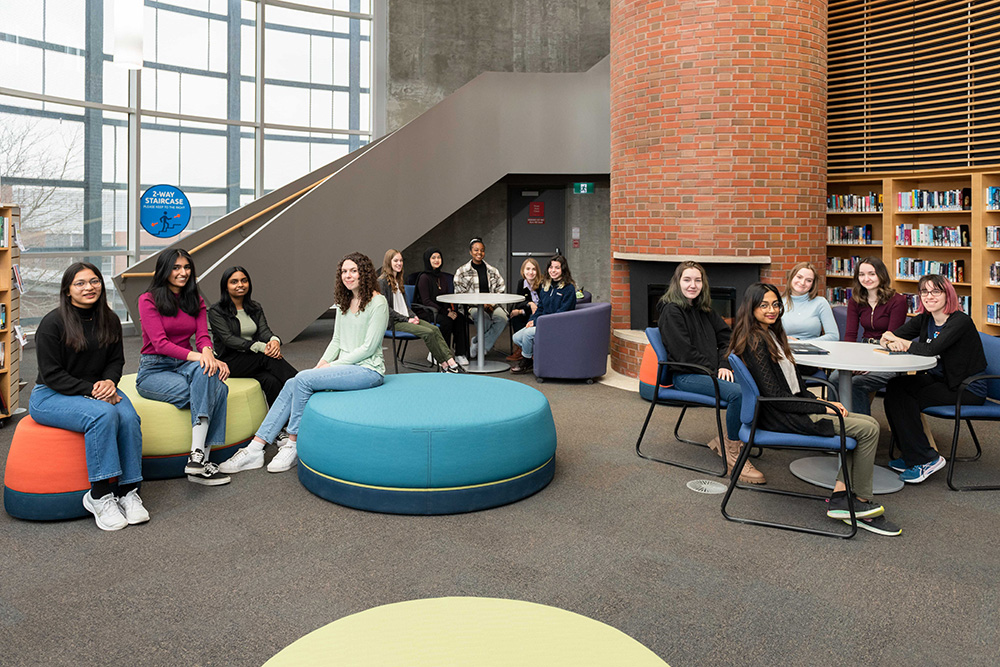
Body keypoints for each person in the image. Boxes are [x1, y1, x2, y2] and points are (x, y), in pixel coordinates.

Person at [730, 282, 899, 536]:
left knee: (868, 425)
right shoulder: (755, 341)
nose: (772, 310)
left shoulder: (772, 335)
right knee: (867, 430)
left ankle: (843, 495)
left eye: (775, 304)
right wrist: (823, 405)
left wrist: (822, 404)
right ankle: (859, 501)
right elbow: (775, 396)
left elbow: (793, 385)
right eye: (763, 305)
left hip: (793, 408)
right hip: (782, 415)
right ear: (751, 307)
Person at [224, 252, 389, 474]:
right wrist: (321, 365)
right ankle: (256, 448)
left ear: (365, 273)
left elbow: (369, 348)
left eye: (353, 271)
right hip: (345, 367)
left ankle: (293, 443)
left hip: (368, 370)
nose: (348, 276)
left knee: (300, 380)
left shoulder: (378, 302)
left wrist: (333, 366)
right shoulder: (344, 302)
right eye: (344, 271)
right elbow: (337, 341)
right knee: (294, 381)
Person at [30, 262, 146, 531]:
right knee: (103, 414)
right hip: (51, 394)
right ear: (68, 290)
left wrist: (108, 382)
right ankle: (100, 495)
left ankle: (128, 492)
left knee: (128, 416)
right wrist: (94, 390)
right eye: (80, 283)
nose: (89, 287)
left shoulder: (110, 319)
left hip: (99, 388)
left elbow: (116, 361)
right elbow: (51, 374)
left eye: (94, 281)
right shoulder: (52, 323)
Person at [656, 261, 764, 484]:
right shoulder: (671, 311)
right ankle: (733, 451)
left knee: (755, 384)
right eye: (687, 280)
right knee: (739, 394)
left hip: (709, 371)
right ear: (677, 282)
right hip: (687, 375)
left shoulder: (704, 309)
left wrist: (725, 364)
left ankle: (729, 438)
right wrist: (716, 371)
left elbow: (727, 339)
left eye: (697, 280)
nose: (693, 285)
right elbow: (685, 355)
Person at [136, 248, 232, 486]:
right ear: (165, 270)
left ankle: (197, 458)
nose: (183, 272)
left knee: (208, 372)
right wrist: (200, 358)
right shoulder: (147, 299)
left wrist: (208, 353)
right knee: (219, 389)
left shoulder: (195, 299)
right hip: (154, 369)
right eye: (176, 267)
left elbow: (202, 336)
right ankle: (202, 462)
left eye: (187, 267)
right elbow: (160, 344)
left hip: (185, 364)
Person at [881, 274, 986, 484]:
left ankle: (927, 459)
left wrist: (901, 342)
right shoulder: (926, 319)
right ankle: (912, 454)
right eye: (924, 292)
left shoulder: (960, 321)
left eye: (936, 291)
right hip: (940, 379)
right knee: (895, 387)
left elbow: (931, 349)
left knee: (905, 398)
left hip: (967, 388)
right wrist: (890, 341)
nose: (929, 296)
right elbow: (890, 335)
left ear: (948, 294)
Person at [208, 266, 298, 406]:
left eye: (244, 281)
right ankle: (304, 383)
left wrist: (274, 341)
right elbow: (228, 339)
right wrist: (260, 347)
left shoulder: (255, 307)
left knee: (271, 381)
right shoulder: (216, 311)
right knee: (266, 357)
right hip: (229, 361)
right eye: (234, 282)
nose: (240, 285)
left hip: (252, 360)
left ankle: (283, 422)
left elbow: (264, 331)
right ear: (226, 286)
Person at [833, 256, 907, 415]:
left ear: (881, 275)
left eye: (871, 274)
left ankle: (863, 429)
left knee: (856, 383)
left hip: (890, 357)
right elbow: (851, 335)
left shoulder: (897, 301)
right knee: (834, 379)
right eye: (861, 274)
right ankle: (837, 423)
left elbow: (891, 338)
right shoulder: (855, 300)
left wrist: (867, 364)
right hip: (863, 351)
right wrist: (853, 362)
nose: (866, 279)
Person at [379, 249, 463, 373]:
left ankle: (450, 362)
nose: (399, 263)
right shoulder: (382, 282)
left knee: (434, 329)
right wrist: (407, 319)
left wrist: (413, 315)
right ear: (388, 262)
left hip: (406, 318)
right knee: (428, 332)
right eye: (395, 260)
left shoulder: (398, 280)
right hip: (394, 322)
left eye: (401, 260)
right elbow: (386, 309)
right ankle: (445, 365)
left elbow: (405, 306)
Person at [510, 255, 577, 374]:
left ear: (563, 270)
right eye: (551, 267)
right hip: (544, 323)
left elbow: (561, 314)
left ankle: (526, 361)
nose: (553, 270)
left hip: (558, 325)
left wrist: (537, 323)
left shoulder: (568, 288)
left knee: (528, 334)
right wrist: (532, 320)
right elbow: (540, 307)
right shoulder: (546, 286)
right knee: (516, 337)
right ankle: (536, 357)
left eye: (557, 268)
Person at [454, 237, 508, 358]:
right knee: (484, 319)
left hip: (492, 305)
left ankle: (478, 344)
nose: (479, 253)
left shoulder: (493, 271)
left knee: (503, 319)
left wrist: (491, 304)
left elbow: (501, 288)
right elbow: (459, 294)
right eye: (476, 250)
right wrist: (480, 304)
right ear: (470, 252)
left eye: (482, 250)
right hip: (471, 307)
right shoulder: (462, 271)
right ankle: (484, 345)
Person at [415, 247, 469, 365]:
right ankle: (440, 354)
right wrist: (446, 312)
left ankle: (460, 353)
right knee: (447, 321)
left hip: (440, 310)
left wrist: (449, 309)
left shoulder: (442, 277)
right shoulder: (424, 277)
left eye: (438, 257)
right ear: (427, 260)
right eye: (433, 258)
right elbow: (426, 301)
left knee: (460, 318)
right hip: (426, 311)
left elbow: (444, 297)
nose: (436, 260)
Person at [782, 261, 839, 341]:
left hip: (812, 349)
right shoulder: (778, 302)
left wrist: (800, 343)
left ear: (813, 284)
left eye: (808, 280)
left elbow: (833, 336)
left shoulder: (821, 303)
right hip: (784, 348)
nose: (802, 283)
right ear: (791, 277)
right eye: (799, 277)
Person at [506, 258, 542, 362]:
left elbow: (542, 306)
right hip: (529, 311)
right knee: (515, 316)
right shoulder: (521, 283)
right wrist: (529, 304)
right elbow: (519, 302)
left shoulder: (542, 283)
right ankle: (520, 348)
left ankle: (527, 352)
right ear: (523, 271)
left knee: (522, 315)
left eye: (533, 269)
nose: (530, 272)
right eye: (528, 269)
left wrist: (523, 310)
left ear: (537, 271)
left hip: (540, 313)